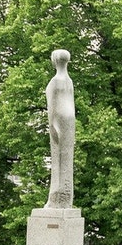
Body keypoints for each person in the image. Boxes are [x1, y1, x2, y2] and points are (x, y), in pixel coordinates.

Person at [45, 49, 75, 208]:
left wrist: (52, 125)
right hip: (70, 120)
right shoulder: (69, 81)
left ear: (55, 61)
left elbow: (51, 106)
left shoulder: (54, 81)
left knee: (58, 158)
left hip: (59, 119)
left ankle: (55, 199)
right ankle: (65, 198)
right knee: (67, 158)